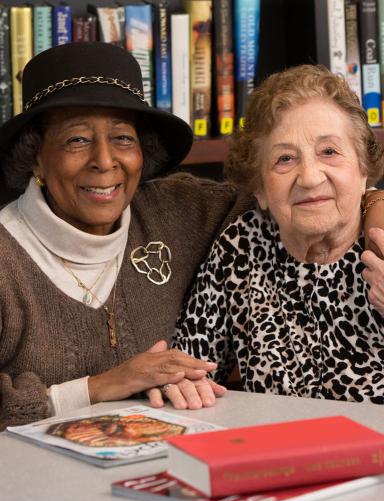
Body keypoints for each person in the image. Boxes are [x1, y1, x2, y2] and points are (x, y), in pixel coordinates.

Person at [0, 41, 257, 429]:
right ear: (35, 155)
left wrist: (373, 200)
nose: (105, 161)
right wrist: (101, 386)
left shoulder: (175, 212)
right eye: (77, 140)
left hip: (159, 468)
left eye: (122, 138)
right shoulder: (6, 258)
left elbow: (289, 199)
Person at [170, 64, 384, 406]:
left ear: (363, 173)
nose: (311, 177)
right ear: (260, 190)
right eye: (285, 159)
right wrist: (175, 381)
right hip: (279, 453)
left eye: (329, 151)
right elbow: (192, 370)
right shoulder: (242, 247)